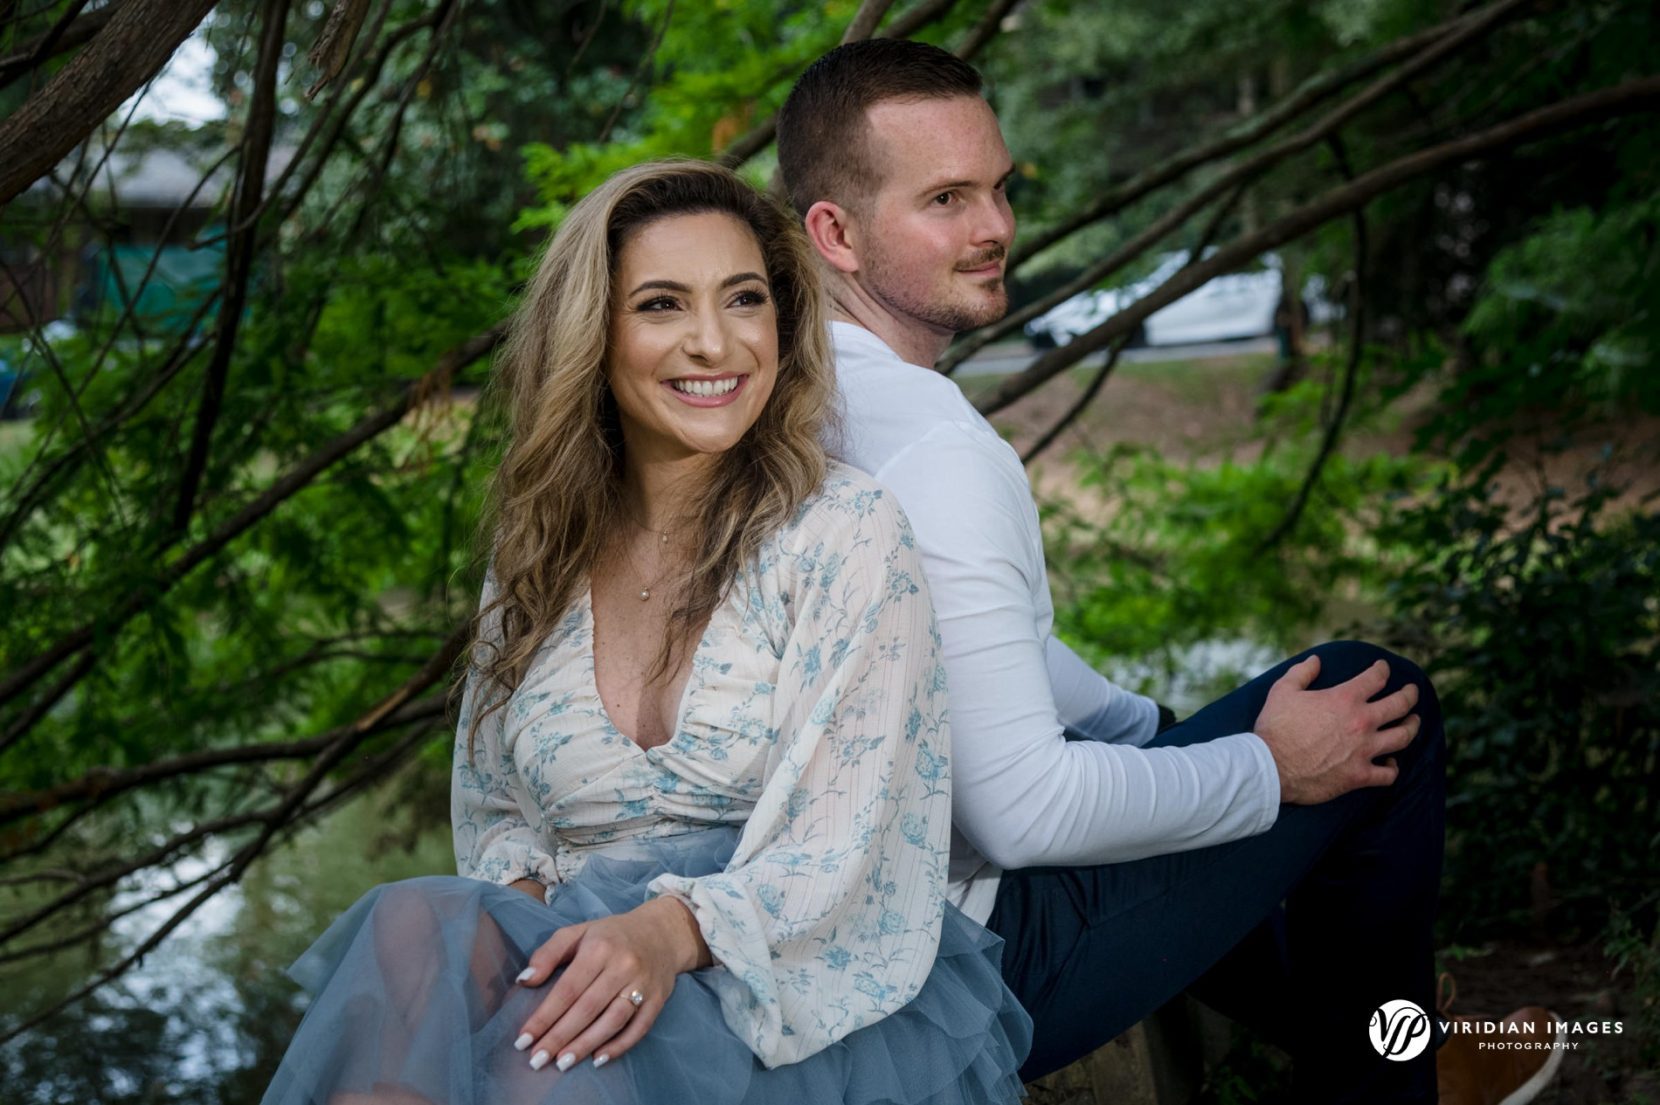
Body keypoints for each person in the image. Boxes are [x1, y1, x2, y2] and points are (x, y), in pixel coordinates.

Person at [776, 38, 1559, 1105]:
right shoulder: (937, 446)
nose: (997, 227)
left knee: (1171, 761)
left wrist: (1155, 730)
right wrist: (1268, 769)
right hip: (964, 971)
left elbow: (974, 645)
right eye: (947, 199)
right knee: (1375, 697)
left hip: (853, 912)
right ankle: (1394, 1091)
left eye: (1000, 189)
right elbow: (1022, 816)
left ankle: (1402, 1062)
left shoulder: (779, 395)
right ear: (836, 232)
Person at [260, 160, 1030, 1105]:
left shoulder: (844, 529)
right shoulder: (538, 542)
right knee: (412, 924)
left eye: (743, 300)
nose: (715, 343)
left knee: (549, 1075)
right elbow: (495, 803)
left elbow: (850, 838)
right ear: (596, 335)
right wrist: (538, 937)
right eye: (663, 305)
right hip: (581, 940)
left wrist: (664, 935)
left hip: (771, 971)